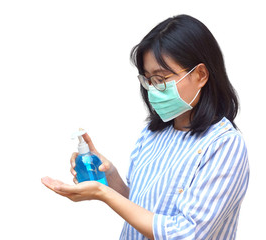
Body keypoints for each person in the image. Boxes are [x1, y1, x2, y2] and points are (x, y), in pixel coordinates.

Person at [41, 14, 249, 240]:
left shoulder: (224, 144)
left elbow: (187, 234)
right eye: (148, 80)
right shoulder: (152, 134)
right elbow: (140, 207)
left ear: (200, 75)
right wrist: (108, 176)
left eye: (161, 79)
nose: (152, 90)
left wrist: (102, 193)